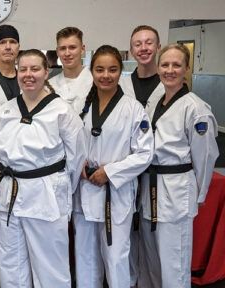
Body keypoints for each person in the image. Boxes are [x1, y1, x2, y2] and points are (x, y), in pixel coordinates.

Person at [0, 49, 86, 287]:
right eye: (23, 69)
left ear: (46, 72)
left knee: (50, 266)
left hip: (46, 194)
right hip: (9, 192)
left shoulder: (62, 111)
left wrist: (59, 185)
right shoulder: (6, 110)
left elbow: (77, 157)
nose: (28, 75)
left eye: (35, 69)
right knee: (11, 263)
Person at [139, 43, 219, 288]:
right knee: (150, 260)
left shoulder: (195, 108)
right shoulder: (155, 100)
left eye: (176, 65)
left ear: (186, 69)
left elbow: (205, 157)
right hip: (149, 186)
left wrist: (198, 193)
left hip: (176, 191)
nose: (170, 70)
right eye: (165, 64)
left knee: (174, 262)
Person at [76, 45, 153, 288]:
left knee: (116, 256)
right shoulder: (80, 105)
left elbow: (144, 153)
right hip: (85, 189)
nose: (105, 75)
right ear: (92, 71)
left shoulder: (133, 109)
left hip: (115, 194)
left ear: (121, 72)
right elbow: (67, 142)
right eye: (99, 69)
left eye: (112, 69)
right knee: (85, 257)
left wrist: (109, 172)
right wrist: (77, 165)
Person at [119, 25, 165, 287]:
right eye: (138, 44)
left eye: (149, 43)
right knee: (127, 235)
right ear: (131, 48)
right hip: (127, 169)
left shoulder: (169, 80)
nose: (144, 48)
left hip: (157, 172)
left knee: (153, 239)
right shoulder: (122, 83)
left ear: (158, 47)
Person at [49, 27, 93, 114]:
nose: (67, 53)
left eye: (72, 47)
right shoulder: (49, 85)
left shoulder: (96, 82)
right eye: (62, 48)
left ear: (82, 49)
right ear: (57, 51)